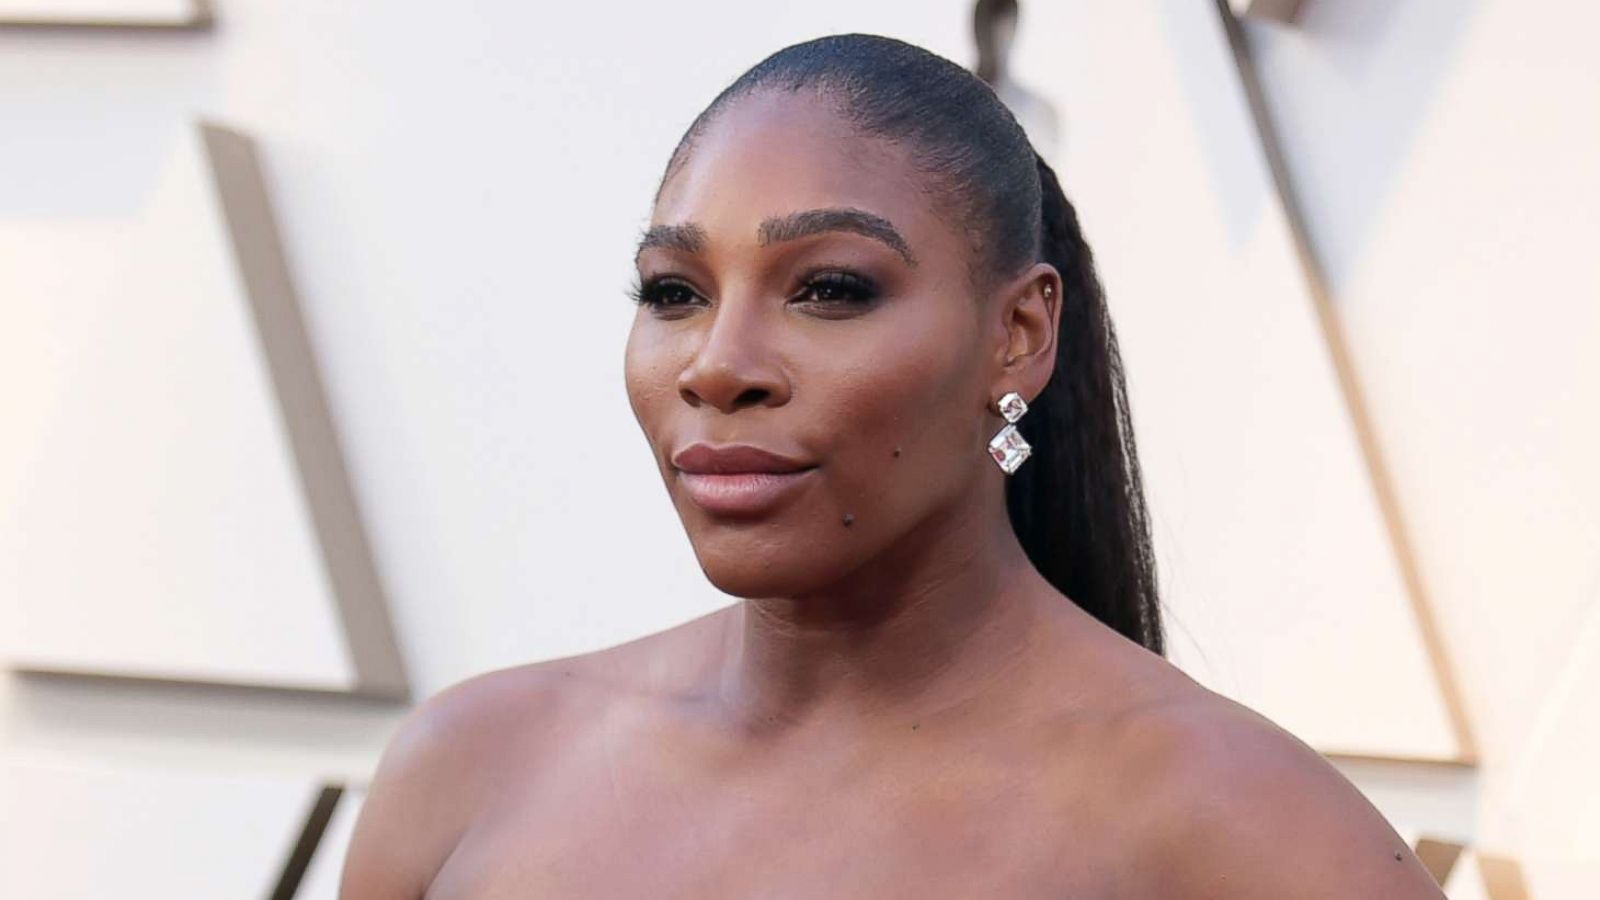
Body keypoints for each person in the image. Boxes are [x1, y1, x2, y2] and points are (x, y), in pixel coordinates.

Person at [341, 34, 1444, 898]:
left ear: (1016, 334)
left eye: (829, 289)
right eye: (674, 292)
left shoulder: (1250, 836)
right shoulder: (468, 769)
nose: (719, 367)